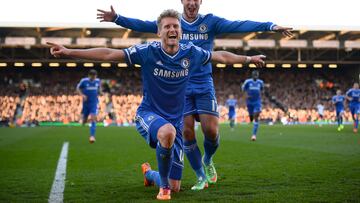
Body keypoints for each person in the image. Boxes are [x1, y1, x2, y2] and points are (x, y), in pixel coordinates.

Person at [48, 9, 266, 200]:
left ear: (180, 31)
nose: (172, 29)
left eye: (176, 26)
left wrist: (248, 59)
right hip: (149, 114)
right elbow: (109, 53)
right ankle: (163, 189)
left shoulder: (191, 53)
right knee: (167, 132)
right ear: (159, 32)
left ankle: (150, 175)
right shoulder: (147, 52)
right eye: (167, 26)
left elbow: (221, 56)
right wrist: (69, 52)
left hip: (175, 124)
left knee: (176, 184)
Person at [97, 0, 292, 189]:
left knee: (212, 131)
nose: (192, 3)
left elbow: (239, 25)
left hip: (203, 83)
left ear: (200, 2)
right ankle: (199, 175)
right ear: (182, 1)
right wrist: (117, 18)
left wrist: (270, 26)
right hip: (180, 85)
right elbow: (142, 25)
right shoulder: (172, 23)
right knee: (187, 132)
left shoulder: (210, 22)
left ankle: (207, 159)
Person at [76, 69, 101, 143]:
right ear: (89, 75)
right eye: (92, 76)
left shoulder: (98, 81)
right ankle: (84, 121)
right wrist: (82, 95)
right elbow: (78, 88)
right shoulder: (84, 81)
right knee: (84, 120)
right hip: (86, 103)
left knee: (93, 118)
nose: (94, 78)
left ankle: (92, 136)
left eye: (95, 76)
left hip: (94, 103)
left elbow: (99, 89)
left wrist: (101, 93)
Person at [242, 70, 264, 141]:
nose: (255, 76)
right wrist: (246, 96)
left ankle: (254, 135)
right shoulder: (247, 82)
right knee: (251, 116)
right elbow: (243, 89)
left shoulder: (260, 82)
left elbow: (262, 90)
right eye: (254, 75)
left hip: (257, 101)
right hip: (249, 102)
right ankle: (251, 118)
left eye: (256, 75)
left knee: (256, 115)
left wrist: (260, 98)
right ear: (252, 75)